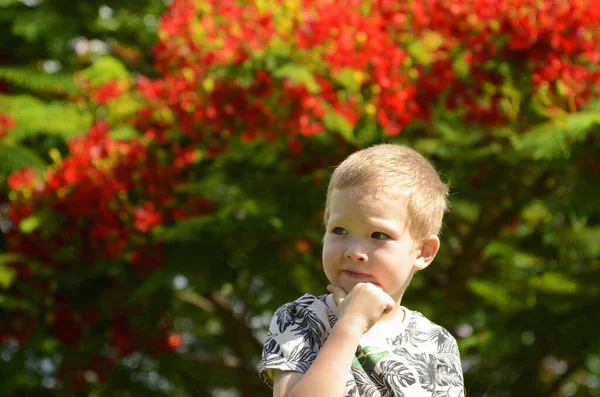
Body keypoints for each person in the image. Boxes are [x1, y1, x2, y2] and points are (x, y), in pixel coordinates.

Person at [259, 144, 464, 397]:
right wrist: (350, 325)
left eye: (379, 235)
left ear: (423, 252)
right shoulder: (302, 319)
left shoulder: (438, 343)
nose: (354, 251)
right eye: (340, 230)